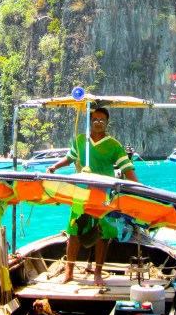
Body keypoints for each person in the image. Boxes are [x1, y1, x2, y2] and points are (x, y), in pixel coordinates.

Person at [46, 108, 139, 286]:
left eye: (102, 120)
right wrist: (54, 167)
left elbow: (126, 168)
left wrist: (138, 187)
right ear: (90, 121)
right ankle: (69, 271)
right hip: (80, 192)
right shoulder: (81, 140)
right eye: (95, 119)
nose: (98, 122)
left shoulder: (114, 145)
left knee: (102, 233)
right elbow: (69, 158)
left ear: (107, 123)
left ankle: (97, 273)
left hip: (103, 194)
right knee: (74, 232)